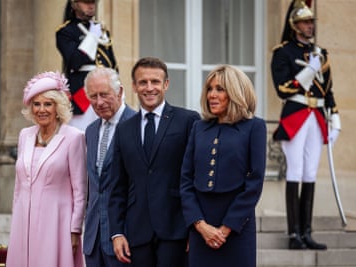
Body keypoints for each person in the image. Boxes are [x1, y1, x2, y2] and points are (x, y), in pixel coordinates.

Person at [108, 57, 200, 266]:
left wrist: (195, 227)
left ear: (166, 84)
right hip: (136, 234)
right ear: (134, 86)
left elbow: (196, 177)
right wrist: (116, 232)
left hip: (177, 231)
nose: (149, 88)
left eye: (155, 82)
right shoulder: (124, 129)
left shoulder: (188, 121)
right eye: (143, 82)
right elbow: (117, 186)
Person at [180, 65, 267, 267]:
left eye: (220, 89)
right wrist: (201, 226)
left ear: (236, 92)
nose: (212, 95)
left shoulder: (254, 127)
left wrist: (225, 229)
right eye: (209, 89)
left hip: (236, 228)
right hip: (201, 228)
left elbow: (254, 182)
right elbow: (185, 180)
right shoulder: (199, 128)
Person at [270, 0, 340, 250]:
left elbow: (327, 89)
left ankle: (307, 232)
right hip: (296, 113)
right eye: (305, 22)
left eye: (311, 22)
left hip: (317, 115)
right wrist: (306, 73)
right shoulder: (283, 52)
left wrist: (335, 117)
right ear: (294, 24)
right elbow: (282, 88)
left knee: (310, 173)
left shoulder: (321, 53)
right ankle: (293, 235)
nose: (310, 26)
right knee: (295, 171)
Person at [6, 71, 87, 267]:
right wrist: (16, 217)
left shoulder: (73, 137)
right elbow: (19, 186)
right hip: (23, 221)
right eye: (37, 104)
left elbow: (80, 190)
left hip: (57, 223)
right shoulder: (25, 135)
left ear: (58, 106)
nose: (41, 110)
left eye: (48, 104)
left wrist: (75, 230)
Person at [83, 67, 136, 267]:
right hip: (93, 238)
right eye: (93, 96)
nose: (99, 102)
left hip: (125, 237)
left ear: (120, 92)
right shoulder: (90, 131)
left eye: (104, 94)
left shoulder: (137, 125)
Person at [56, 0, 118, 131]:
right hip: (82, 92)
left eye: (93, 3)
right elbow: (75, 62)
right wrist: (92, 37)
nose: (91, 6)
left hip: (107, 88)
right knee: (82, 135)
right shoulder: (66, 31)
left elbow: (112, 64)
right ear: (74, 4)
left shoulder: (102, 30)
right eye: (86, 2)